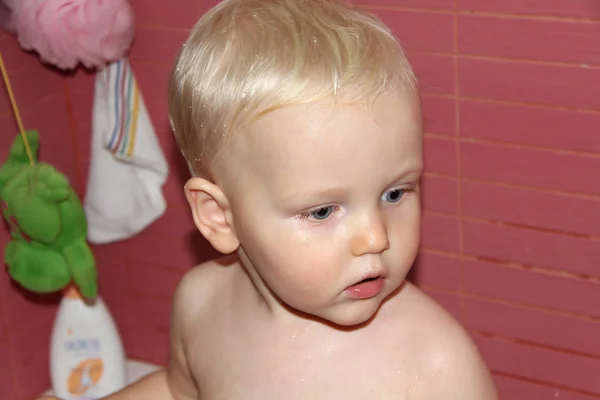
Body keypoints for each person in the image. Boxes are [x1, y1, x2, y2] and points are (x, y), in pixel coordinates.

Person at [41, 0, 498, 398]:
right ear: (219, 217)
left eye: (395, 192)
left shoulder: (435, 365)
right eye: (322, 210)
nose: (375, 237)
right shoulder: (203, 306)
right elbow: (180, 392)